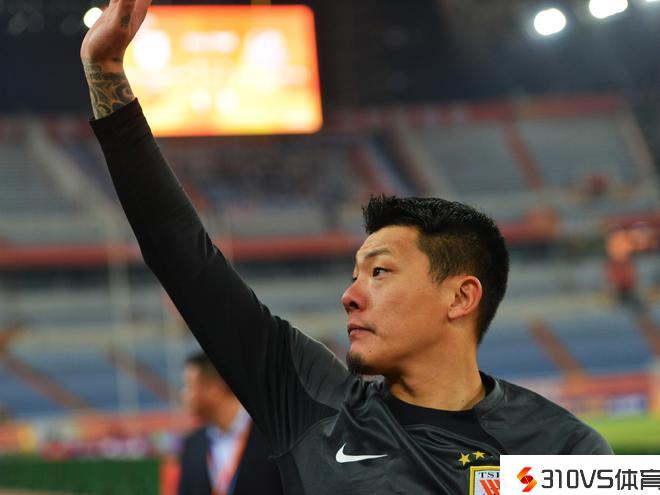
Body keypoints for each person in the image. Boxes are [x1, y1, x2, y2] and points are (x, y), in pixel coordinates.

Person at [81, 2, 613, 493]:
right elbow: (182, 256)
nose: (350, 295)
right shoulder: (311, 403)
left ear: (460, 297)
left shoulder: (563, 453)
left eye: (379, 273)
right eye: (355, 274)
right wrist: (106, 72)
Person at [179, 352, 283, 495]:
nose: (184, 395)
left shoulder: (271, 436)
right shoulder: (192, 445)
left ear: (214, 389)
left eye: (189, 386)